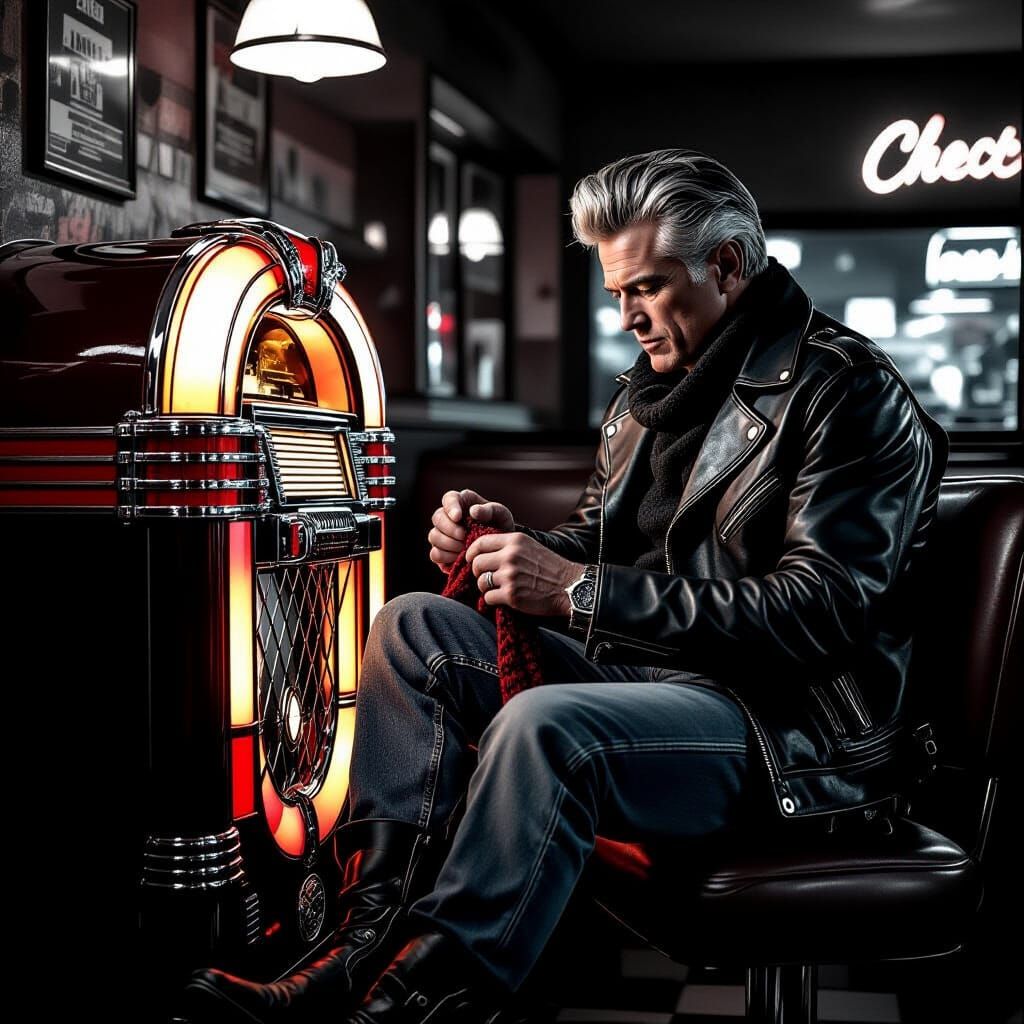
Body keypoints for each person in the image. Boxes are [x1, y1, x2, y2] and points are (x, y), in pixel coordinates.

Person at [183, 149, 948, 1024]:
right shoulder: (647, 397)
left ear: (729, 265)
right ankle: (357, 948)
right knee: (410, 628)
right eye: (618, 291)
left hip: (789, 728)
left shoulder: (848, 390)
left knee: (546, 727)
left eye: (648, 288)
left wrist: (578, 590)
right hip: (654, 679)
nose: (627, 316)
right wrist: (511, 543)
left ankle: (417, 1000)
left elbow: (823, 612)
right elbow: (601, 542)